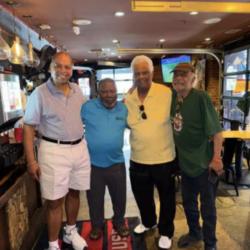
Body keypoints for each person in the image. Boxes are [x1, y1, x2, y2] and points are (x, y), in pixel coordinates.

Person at [23, 52, 91, 250]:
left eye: (67, 67)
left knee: (74, 192)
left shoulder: (77, 90)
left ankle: (70, 231)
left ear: (71, 69)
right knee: (54, 201)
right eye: (58, 66)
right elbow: (28, 127)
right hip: (53, 149)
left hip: (79, 147)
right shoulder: (40, 93)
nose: (63, 71)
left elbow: (90, 111)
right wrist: (30, 161)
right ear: (50, 68)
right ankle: (53, 244)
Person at [170, 63, 223, 250]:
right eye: (175, 75)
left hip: (203, 164)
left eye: (183, 75)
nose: (178, 78)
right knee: (189, 203)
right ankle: (194, 232)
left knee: (208, 209)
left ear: (193, 77)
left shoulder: (201, 96)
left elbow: (216, 131)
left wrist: (216, 158)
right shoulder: (175, 98)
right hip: (186, 165)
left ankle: (211, 244)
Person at [125, 55, 176, 250]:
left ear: (152, 73)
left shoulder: (166, 93)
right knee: (142, 196)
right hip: (138, 158)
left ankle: (166, 231)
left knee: (167, 198)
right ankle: (148, 222)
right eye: (137, 73)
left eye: (145, 72)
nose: (141, 76)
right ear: (133, 75)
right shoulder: (129, 97)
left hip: (164, 158)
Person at [81, 78, 129, 240]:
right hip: (93, 165)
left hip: (117, 163)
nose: (109, 95)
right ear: (98, 93)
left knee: (119, 197)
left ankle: (119, 222)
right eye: (105, 91)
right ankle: (96, 225)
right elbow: (73, 125)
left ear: (117, 92)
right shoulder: (88, 107)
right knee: (94, 199)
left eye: (112, 91)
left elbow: (139, 126)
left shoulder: (124, 109)